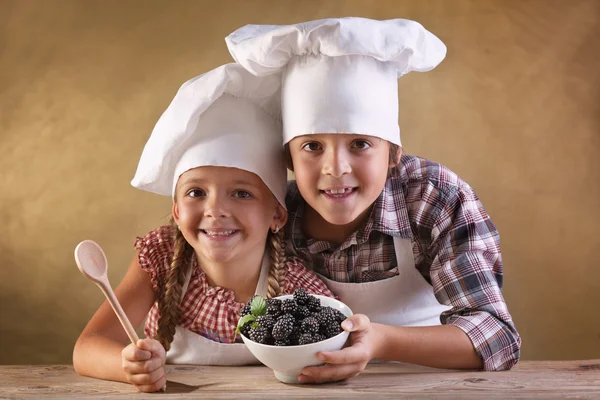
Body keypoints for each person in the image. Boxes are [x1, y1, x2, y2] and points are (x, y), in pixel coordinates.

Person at [226, 17, 522, 382]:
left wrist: (380, 341)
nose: (335, 169)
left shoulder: (434, 197)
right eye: (312, 146)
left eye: (360, 144)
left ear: (393, 153)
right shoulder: (275, 211)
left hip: (426, 384)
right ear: (288, 159)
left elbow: (497, 337)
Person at [72, 63, 334, 392]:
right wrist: (128, 366)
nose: (215, 210)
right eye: (197, 192)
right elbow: (88, 347)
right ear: (177, 211)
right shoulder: (161, 259)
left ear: (277, 215)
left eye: (241, 193)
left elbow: (333, 356)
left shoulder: (296, 289)